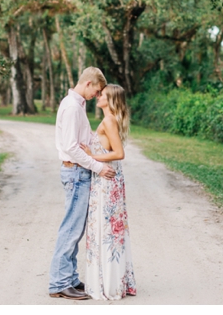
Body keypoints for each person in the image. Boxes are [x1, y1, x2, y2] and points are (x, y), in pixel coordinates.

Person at [49, 67, 115, 301]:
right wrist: (98, 167)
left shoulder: (77, 106)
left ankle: (70, 278)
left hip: (79, 172)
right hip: (75, 172)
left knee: (76, 229)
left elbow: (83, 142)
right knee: (71, 228)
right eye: (96, 91)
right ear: (88, 83)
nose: (97, 95)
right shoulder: (71, 107)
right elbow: (70, 147)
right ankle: (59, 282)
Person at [81, 84, 137, 301]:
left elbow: (118, 153)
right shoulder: (109, 120)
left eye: (101, 94)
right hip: (106, 178)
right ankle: (111, 280)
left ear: (110, 99)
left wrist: (91, 157)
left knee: (107, 232)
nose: (98, 96)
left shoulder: (109, 120)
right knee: (108, 231)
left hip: (107, 181)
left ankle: (109, 283)